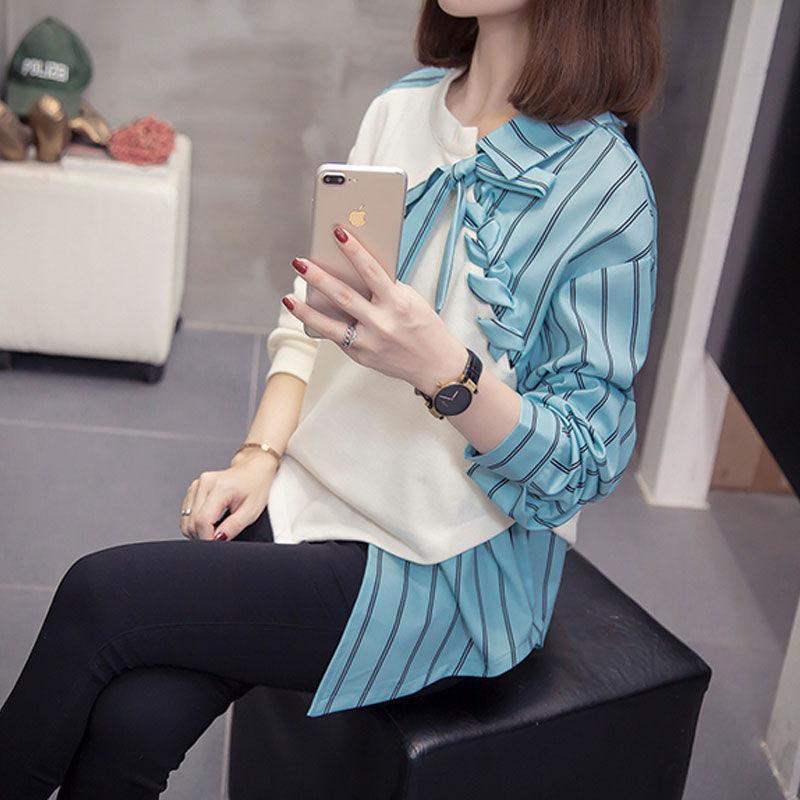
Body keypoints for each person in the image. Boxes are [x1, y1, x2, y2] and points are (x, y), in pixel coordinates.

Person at [0, 0, 662, 797]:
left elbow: (583, 462)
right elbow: (311, 317)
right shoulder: (400, 110)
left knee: (98, 595)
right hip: (310, 498)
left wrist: (446, 372)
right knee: (130, 723)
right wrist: (258, 457)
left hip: (445, 564)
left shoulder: (607, 188)